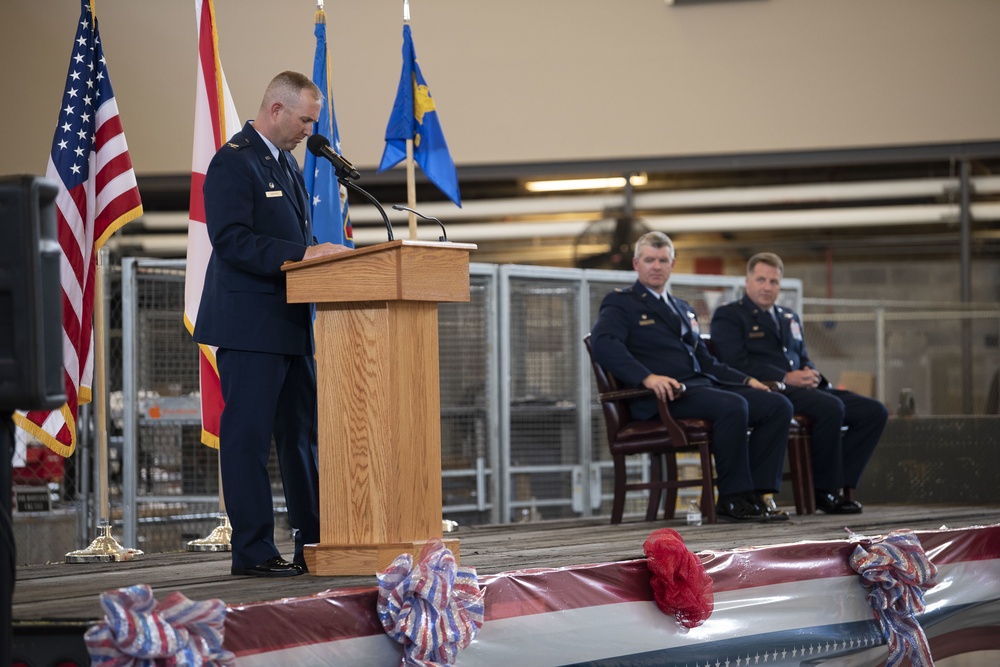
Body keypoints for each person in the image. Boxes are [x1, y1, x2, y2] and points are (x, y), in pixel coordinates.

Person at [194, 71, 349, 576]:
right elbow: (232, 240)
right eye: (305, 119)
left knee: (299, 438)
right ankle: (255, 552)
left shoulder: (286, 165)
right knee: (249, 441)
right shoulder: (234, 162)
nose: (310, 130)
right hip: (249, 328)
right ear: (276, 109)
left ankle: (314, 542)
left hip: (290, 326)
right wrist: (305, 253)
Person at [590, 232, 793, 523]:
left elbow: (706, 361)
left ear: (672, 264)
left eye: (662, 260)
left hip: (699, 389)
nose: (656, 266)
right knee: (733, 405)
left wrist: (747, 381)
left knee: (777, 405)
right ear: (636, 264)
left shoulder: (683, 308)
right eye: (649, 260)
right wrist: (647, 377)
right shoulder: (621, 303)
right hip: (661, 397)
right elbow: (604, 344)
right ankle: (733, 499)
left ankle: (758, 495)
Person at [710, 252, 888, 514]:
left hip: (804, 387)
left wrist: (811, 373)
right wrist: (786, 377)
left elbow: (802, 356)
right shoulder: (730, 316)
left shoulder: (788, 317)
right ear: (747, 281)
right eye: (761, 279)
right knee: (830, 407)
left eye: (773, 282)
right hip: (771, 388)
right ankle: (824, 491)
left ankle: (843, 484)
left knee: (874, 411)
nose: (767, 287)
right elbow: (735, 362)